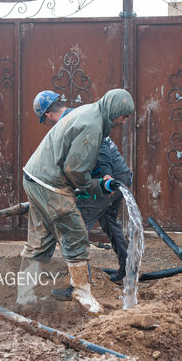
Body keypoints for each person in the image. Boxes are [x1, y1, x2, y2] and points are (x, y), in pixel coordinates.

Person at [18, 89, 134, 315]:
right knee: (76, 232)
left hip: (34, 178)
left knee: (39, 240)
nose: (126, 120)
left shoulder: (88, 113)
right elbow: (75, 170)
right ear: (115, 110)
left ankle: (25, 295)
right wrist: (94, 184)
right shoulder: (92, 123)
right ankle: (81, 291)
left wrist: (93, 182)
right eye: (124, 115)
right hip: (51, 184)